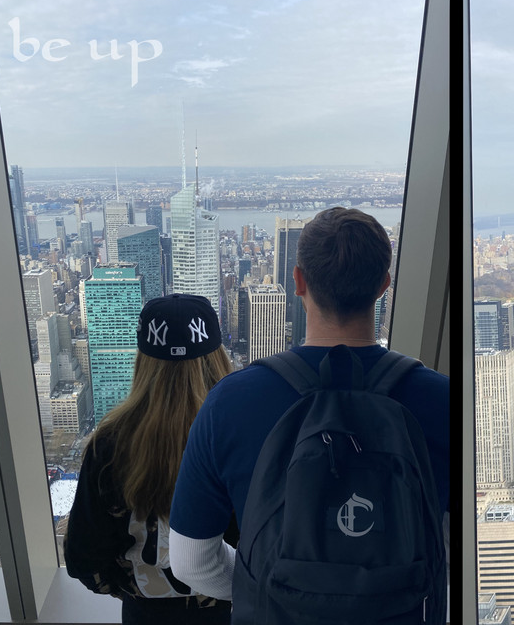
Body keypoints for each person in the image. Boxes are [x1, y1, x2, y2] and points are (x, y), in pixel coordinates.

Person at [169, 207, 449, 605]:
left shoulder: (230, 403)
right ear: (383, 285)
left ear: (298, 281)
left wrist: (271, 593)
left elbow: (192, 563)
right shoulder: (441, 399)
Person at [64, 293, 238, 624]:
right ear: (217, 359)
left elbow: (83, 559)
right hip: (227, 613)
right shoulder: (241, 437)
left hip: (144, 614)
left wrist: (130, 588)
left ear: (143, 362)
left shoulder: (108, 447)